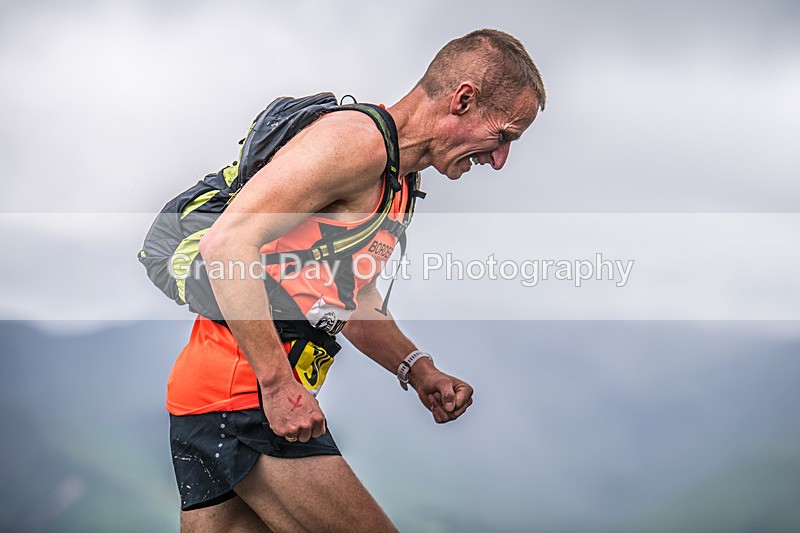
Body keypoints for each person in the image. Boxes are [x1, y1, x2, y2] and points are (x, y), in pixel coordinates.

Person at [166, 28, 546, 532]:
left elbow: (343, 296)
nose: (500, 160)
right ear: (463, 99)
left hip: (220, 400)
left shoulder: (400, 182)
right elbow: (227, 245)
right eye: (503, 136)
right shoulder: (356, 143)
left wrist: (417, 369)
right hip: (244, 398)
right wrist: (280, 386)